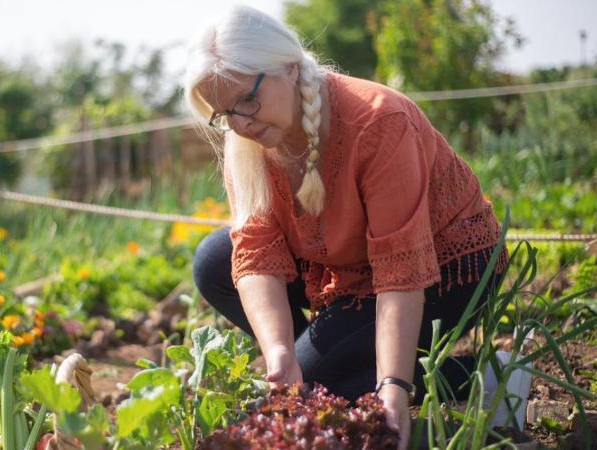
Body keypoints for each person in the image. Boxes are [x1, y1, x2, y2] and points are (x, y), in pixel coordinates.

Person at [185, 6, 509, 448]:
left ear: (288, 67)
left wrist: (393, 384)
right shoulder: (248, 143)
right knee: (213, 261)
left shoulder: (378, 120)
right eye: (224, 113)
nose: (240, 124)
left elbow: (400, 271)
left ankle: (486, 377)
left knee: (322, 378)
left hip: (447, 263)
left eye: (246, 99)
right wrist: (279, 353)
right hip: (349, 265)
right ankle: (329, 366)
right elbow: (257, 251)